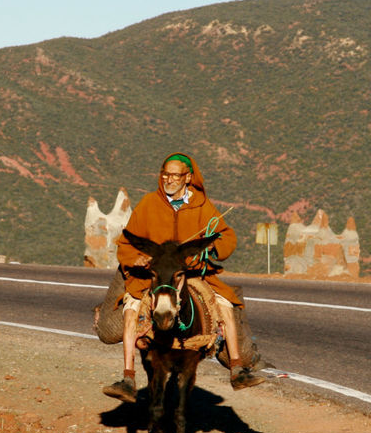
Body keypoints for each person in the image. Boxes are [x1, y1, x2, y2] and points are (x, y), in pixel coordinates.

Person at [103, 152, 265, 403]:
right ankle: (128, 378)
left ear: (188, 177)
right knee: (132, 310)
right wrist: (135, 258)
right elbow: (126, 242)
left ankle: (236, 369)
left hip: (192, 274)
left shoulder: (202, 206)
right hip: (153, 277)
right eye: (165, 174)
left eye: (174, 175)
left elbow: (226, 235)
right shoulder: (148, 204)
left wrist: (211, 248)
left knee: (225, 306)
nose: (168, 179)